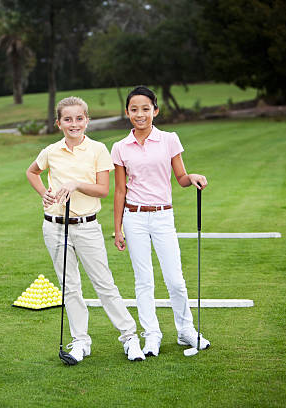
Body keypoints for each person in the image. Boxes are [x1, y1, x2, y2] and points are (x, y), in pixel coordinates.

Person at [26, 96, 145, 363]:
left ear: (87, 121)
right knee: (69, 288)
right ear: (59, 123)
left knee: (104, 284)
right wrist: (44, 193)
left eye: (79, 118)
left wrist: (76, 184)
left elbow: (103, 190)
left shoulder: (98, 150)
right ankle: (80, 341)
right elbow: (32, 172)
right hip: (54, 227)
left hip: (87, 226)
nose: (74, 124)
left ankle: (129, 337)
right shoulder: (51, 151)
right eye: (67, 119)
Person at [111, 86, 211, 357]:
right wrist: (117, 228)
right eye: (134, 109)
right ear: (127, 112)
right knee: (144, 281)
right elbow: (120, 190)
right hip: (134, 217)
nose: (140, 114)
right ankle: (152, 334)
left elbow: (180, 177)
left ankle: (185, 330)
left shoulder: (169, 139)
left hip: (163, 216)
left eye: (145, 109)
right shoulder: (120, 147)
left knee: (175, 279)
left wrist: (192, 178)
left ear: (155, 110)